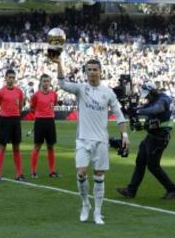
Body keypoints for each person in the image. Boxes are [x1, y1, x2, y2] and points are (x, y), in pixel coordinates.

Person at [50, 57, 129, 225]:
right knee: (81, 173)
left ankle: (98, 212)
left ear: (100, 72)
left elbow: (120, 116)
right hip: (83, 140)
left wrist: (125, 136)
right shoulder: (81, 89)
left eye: (95, 69)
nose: (92, 72)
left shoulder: (108, 92)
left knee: (99, 175)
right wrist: (58, 64)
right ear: (85, 72)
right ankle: (85, 204)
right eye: (89, 69)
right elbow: (62, 84)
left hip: (101, 141)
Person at [117, 81, 175, 199]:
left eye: (148, 95)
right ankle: (131, 190)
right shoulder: (154, 100)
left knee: (153, 166)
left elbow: (156, 109)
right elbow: (142, 109)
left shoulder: (163, 99)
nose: (146, 98)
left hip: (159, 137)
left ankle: (172, 189)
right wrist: (128, 109)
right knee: (140, 162)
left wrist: (137, 111)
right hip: (151, 136)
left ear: (152, 92)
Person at [0, 69, 25, 182]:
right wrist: (0, 116)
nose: (11, 79)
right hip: (4, 120)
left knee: (16, 146)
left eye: (13, 77)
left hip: (15, 120)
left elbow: (21, 106)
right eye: (9, 77)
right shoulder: (0, 92)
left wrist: (16, 114)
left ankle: (19, 174)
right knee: (2, 146)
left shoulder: (19, 92)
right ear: (5, 78)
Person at [29, 74, 59, 178]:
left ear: (50, 82)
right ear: (41, 82)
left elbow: (54, 105)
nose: (46, 83)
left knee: (50, 146)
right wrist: (39, 114)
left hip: (50, 121)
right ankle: (33, 171)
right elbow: (32, 107)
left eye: (47, 81)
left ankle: (52, 171)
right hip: (40, 121)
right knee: (37, 146)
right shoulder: (36, 95)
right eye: (44, 81)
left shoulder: (54, 94)